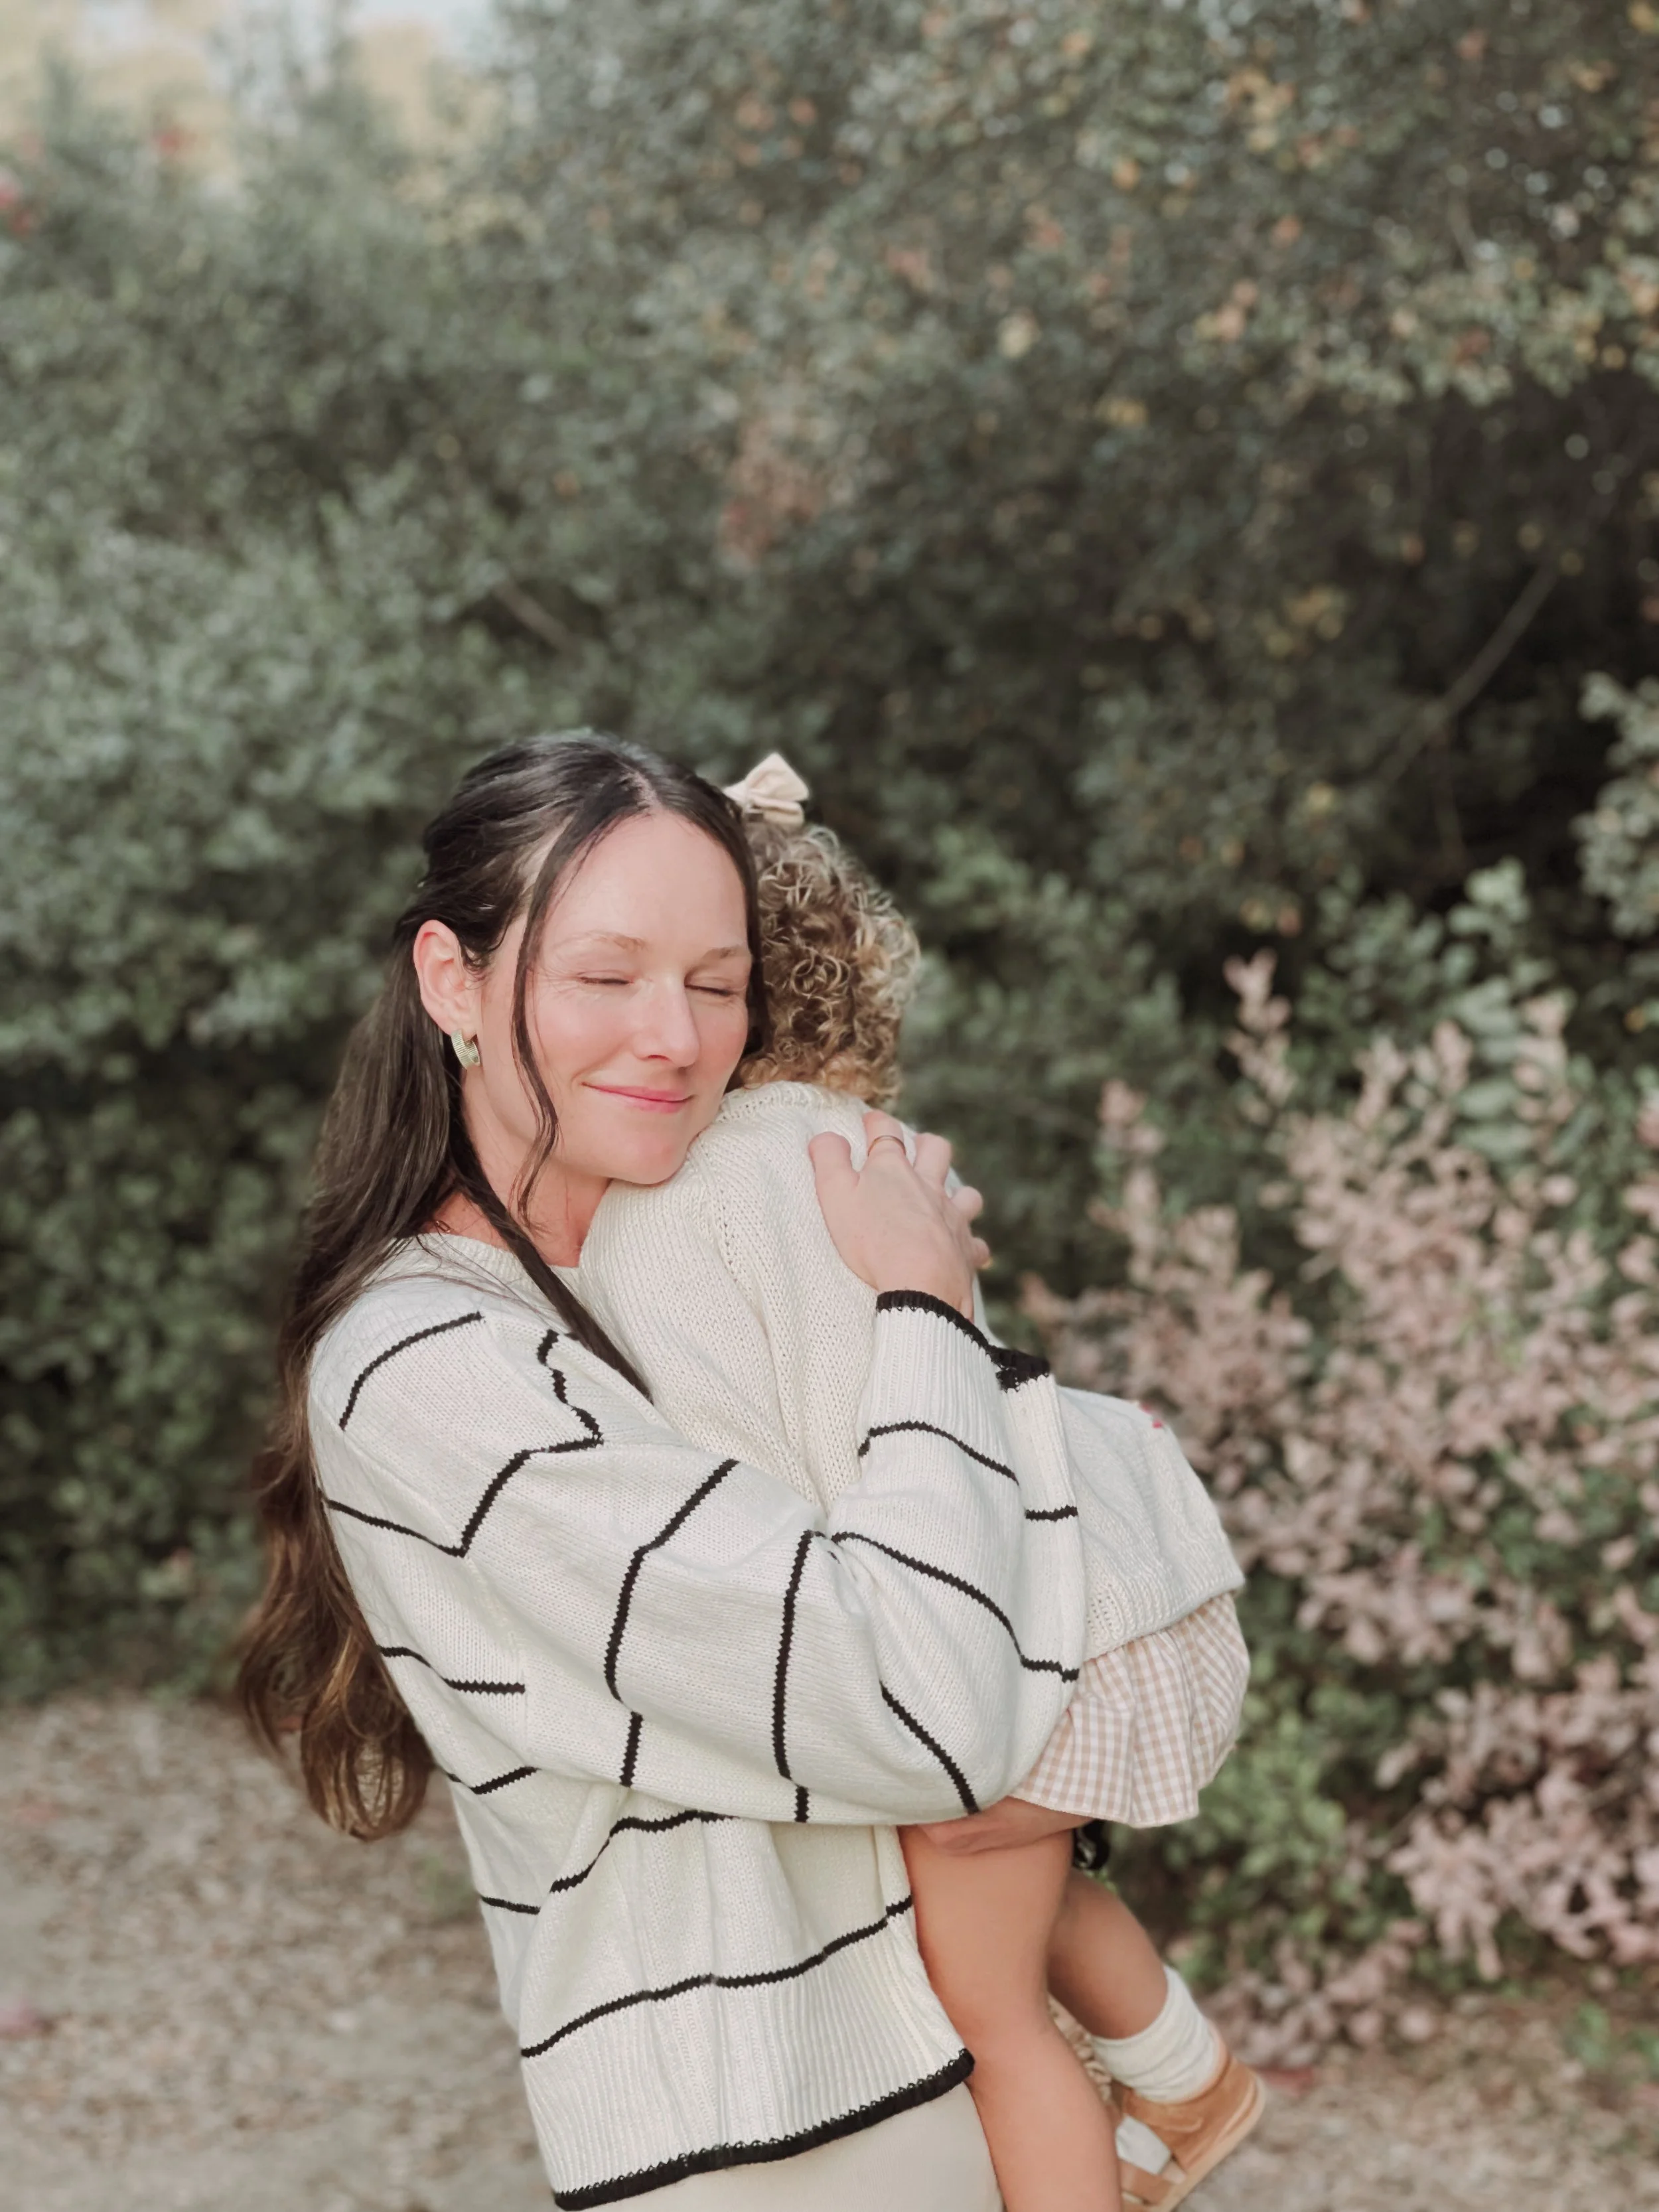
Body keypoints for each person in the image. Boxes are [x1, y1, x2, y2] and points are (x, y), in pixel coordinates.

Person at [238, 731, 1090, 2212]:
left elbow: (1030, 1593)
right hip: (771, 2138)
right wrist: (922, 1311)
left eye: (716, 983)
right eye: (604, 974)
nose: (676, 1039)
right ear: (453, 981)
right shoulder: (423, 1366)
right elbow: (926, 1711)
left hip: (953, 2059)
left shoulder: (706, 1262)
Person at [570, 755, 1264, 2212]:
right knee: (1019, 1891)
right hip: (1100, 1587)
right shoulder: (860, 1139)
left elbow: (752, 1492)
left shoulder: (675, 1203)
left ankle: (1173, 2102)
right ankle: (1189, 2079)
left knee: (987, 2017)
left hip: (999, 1620)